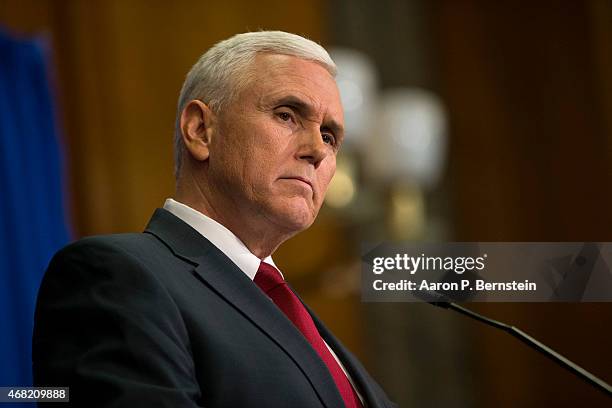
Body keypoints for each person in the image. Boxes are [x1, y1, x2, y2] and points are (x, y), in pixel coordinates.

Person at [33, 31, 395, 407]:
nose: (318, 150)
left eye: (329, 135)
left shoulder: (298, 319)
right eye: (287, 115)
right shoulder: (116, 276)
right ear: (201, 130)